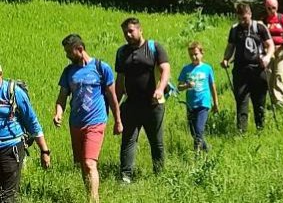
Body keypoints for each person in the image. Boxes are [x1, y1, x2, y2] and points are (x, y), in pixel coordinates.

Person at [54, 34, 122, 203]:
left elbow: (113, 97)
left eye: (70, 51)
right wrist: (59, 113)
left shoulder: (101, 67)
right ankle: (89, 196)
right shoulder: (68, 71)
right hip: (76, 124)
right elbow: (62, 96)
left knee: (90, 162)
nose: (67, 55)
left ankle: (94, 200)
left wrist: (118, 121)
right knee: (83, 165)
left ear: (80, 49)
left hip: (96, 122)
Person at [115, 17, 171, 183]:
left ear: (140, 30)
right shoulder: (122, 52)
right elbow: (119, 82)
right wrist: (115, 107)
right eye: (125, 32)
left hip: (153, 105)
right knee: (128, 142)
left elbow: (165, 70)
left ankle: (159, 175)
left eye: (131, 31)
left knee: (156, 142)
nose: (128, 35)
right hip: (131, 104)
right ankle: (126, 176)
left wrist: (160, 89)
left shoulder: (154, 48)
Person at [0, 64, 50, 203]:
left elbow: (32, 122)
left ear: (1, 74)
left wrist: (44, 151)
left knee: (7, 195)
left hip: (10, 148)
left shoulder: (13, 92)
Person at [221, 3, 274, 132]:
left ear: (250, 14)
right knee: (241, 101)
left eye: (244, 18)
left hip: (258, 69)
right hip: (240, 70)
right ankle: (241, 132)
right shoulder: (234, 29)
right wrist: (226, 59)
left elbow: (270, 45)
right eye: (239, 19)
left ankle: (260, 129)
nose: (242, 21)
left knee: (259, 101)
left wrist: (267, 58)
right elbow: (230, 47)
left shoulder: (259, 27)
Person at [177, 41, 219, 152]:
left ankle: (197, 154)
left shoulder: (207, 68)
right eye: (191, 55)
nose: (194, 57)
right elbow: (179, 87)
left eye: (196, 54)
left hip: (203, 103)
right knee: (194, 132)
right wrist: (186, 85)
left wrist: (215, 103)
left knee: (199, 130)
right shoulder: (186, 69)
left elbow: (212, 86)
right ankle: (206, 148)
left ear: (201, 53)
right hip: (190, 104)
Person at [263, 0, 283, 107]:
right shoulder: (263, 20)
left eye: (273, 8)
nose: (271, 10)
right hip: (268, 52)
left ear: (277, 7)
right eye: (269, 8)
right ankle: (273, 100)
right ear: (265, 8)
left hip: (281, 50)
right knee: (269, 76)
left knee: (279, 75)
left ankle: (280, 102)